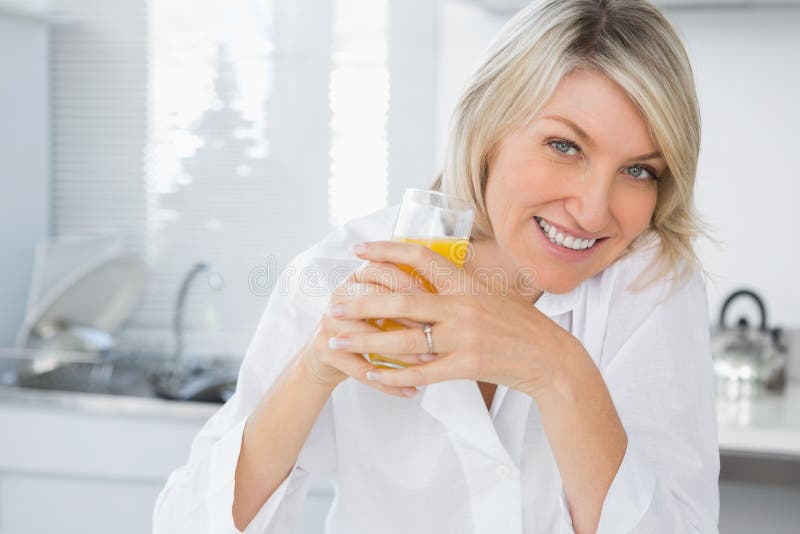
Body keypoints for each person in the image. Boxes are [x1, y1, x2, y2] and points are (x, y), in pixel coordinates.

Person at [153, 0, 720, 532]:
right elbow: (187, 522)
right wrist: (313, 370)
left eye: (640, 171)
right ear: (488, 129)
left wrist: (559, 370)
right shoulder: (345, 269)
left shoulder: (650, 285)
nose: (594, 210)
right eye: (564, 147)